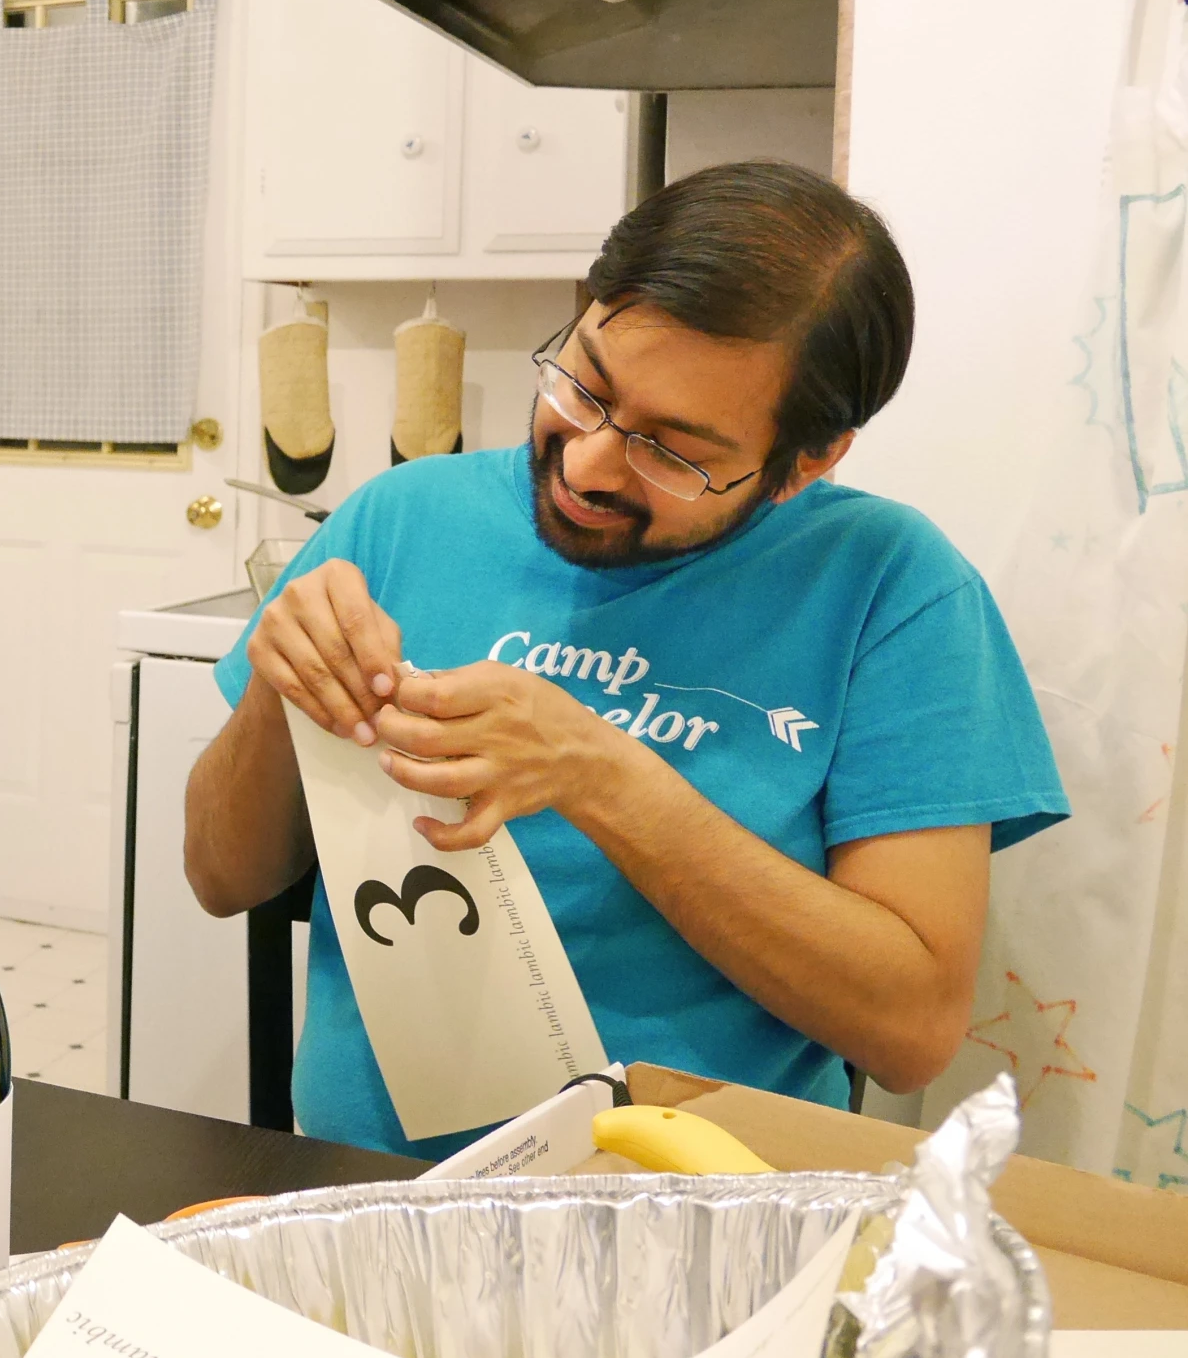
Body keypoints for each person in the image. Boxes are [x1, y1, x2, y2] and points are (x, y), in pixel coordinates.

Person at [184, 161, 1069, 1162]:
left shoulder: (890, 589)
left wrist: (599, 771)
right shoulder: (403, 514)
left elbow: (910, 1029)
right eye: (584, 384)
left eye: (674, 450)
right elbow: (220, 873)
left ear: (810, 459)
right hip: (366, 1183)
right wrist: (274, 686)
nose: (589, 463)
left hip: (696, 1217)